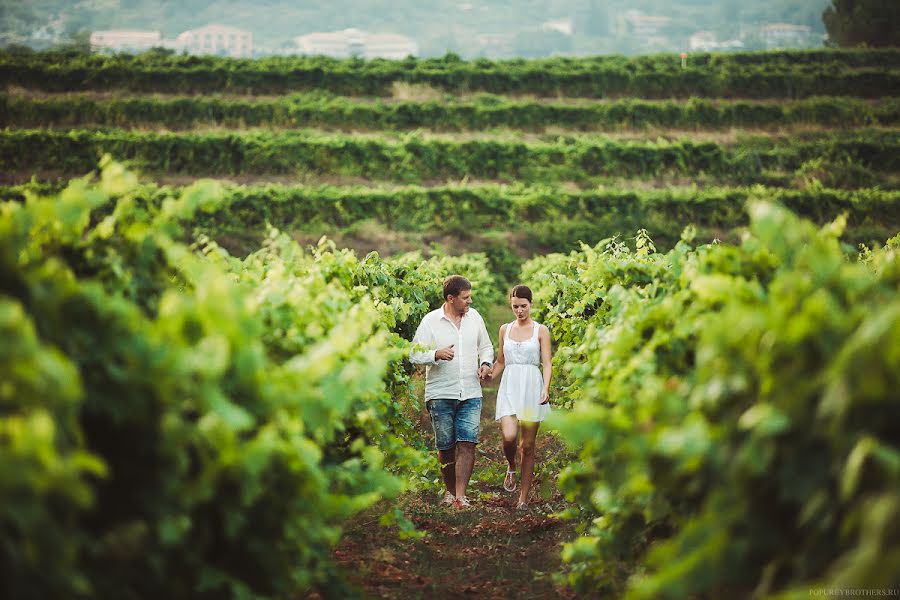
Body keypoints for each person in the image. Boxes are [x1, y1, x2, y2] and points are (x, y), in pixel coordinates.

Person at [410, 275, 494, 509]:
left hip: (470, 392)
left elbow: (485, 346)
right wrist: (435, 354)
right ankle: (448, 492)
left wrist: (486, 363)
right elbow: (414, 354)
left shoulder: (474, 317)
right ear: (451, 298)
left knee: (467, 443)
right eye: (465, 298)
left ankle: (460, 496)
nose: (470, 301)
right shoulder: (430, 322)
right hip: (440, 393)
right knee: (445, 447)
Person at [488, 284, 552, 509]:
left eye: (523, 306)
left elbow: (546, 363)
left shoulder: (540, 330)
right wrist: (488, 375)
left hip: (532, 385)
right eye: (515, 306)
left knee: (528, 445)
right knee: (508, 437)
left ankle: (523, 497)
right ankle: (511, 465)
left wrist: (545, 388)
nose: (519, 311)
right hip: (509, 385)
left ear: (531, 304)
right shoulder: (505, 329)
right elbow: (501, 361)